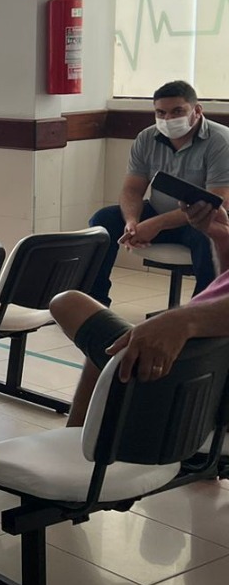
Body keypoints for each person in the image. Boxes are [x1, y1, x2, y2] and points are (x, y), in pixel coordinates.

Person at [51, 198, 229, 427]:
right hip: (202, 357)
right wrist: (222, 241)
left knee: (68, 304)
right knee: (107, 340)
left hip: (194, 374)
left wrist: (184, 320)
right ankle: (79, 438)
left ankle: (77, 443)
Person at [86, 81, 229, 305]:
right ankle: (93, 302)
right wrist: (132, 222)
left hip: (202, 220)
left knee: (208, 235)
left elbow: (218, 202)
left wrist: (156, 224)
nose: (168, 119)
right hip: (158, 211)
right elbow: (132, 189)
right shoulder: (146, 138)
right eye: (160, 112)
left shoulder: (220, 141)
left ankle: (202, 314)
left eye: (177, 111)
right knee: (103, 220)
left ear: (197, 110)